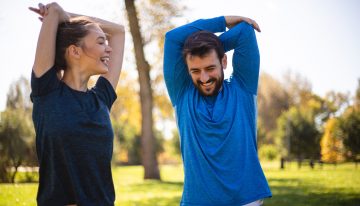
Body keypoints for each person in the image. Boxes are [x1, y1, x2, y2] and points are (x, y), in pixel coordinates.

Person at [163, 16, 272, 205]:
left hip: (246, 199)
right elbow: (172, 38)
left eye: (210, 67)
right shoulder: (181, 94)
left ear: (224, 61)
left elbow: (245, 32)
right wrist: (223, 22)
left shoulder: (243, 86)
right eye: (195, 70)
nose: (204, 77)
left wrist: (210, 46)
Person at [29, 2, 125, 205]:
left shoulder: (102, 98)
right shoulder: (47, 91)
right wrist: (58, 15)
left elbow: (118, 32)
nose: (109, 48)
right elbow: (53, 10)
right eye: (100, 42)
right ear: (75, 51)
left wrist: (68, 16)